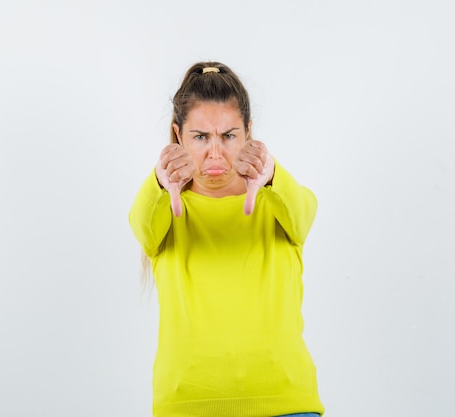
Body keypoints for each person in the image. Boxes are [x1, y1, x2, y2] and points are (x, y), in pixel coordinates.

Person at [128, 61, 324, 417]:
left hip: (285, 405)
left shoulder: (279, 202)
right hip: (186, 407)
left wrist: (272, 175)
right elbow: (140, 224)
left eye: (229, 136)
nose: (215, 153)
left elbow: (304, 213)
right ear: (178, 136)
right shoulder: (163, 209)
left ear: (249, 132)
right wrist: (158, 181)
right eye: (200, 137)